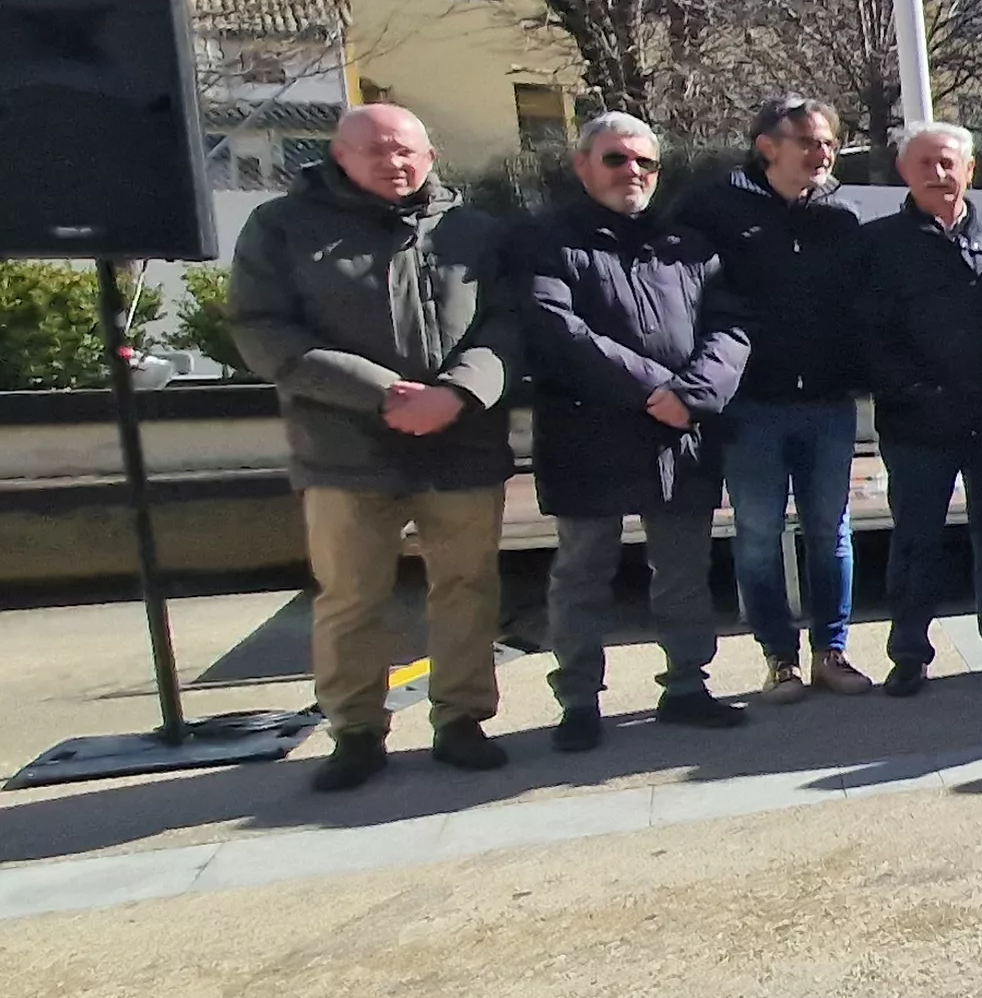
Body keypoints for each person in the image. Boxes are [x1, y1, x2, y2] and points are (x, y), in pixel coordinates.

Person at [230, 102, 519, 790]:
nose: (395, 163)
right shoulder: (281, 228)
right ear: (339, 156)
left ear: (430, 157)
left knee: (467, 588)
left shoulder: (475, 231)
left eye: (407, 151)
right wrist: (381, 393)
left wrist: (457, 393)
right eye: (377, 151)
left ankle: (461, 718)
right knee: (352, 596)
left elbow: (510, 325)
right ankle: (355, 730)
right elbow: (262, 331)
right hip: (345, 449)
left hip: (460, 443)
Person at [524, 112, 751, 751]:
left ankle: (686, 686)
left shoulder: (690, 246)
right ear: (583, 165)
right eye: (616, 159)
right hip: (587, 435)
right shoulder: (549, 242)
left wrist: (692, 396)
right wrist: (653, 389)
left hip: (680, 438)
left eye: (644, 162)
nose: (633, 173)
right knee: (582, 574)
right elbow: (556, 330)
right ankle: (578, 702)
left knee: (682, 569)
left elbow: (729, 329)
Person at [681, 95, 872, 702]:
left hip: (827, 403)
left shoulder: (841, 217)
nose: (824, 154)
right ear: (768, 146)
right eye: (810, 142)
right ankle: (778, 658)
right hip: (750, 406)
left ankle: (831, 652)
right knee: (759, 533)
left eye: (830, 144)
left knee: (831, 531)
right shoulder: (712, 209)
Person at [860, 122, 982, 694]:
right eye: (925, 164)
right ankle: (910, 654)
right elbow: (868, 338)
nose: (938, 174)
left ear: (970, 170)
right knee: (917, 541)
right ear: (904, 172)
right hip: (919, 426)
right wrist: (919, 390)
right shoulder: (878, 246)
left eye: (948, 163)